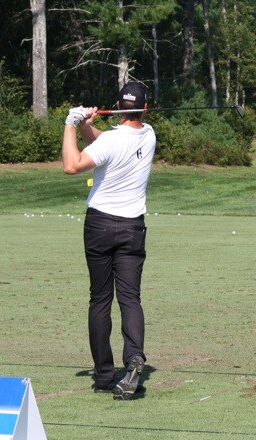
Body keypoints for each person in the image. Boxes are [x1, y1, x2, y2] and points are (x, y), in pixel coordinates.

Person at [61, 82, 156, 400]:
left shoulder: (112, 140)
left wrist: (70, 124)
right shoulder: (150, 134)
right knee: (130, 298)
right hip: (132, 228)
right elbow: (106, 144)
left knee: (100, 299)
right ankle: (134, 357)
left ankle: (104, 376)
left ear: (117, 106)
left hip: (100, 226)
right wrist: (87, 126)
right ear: (144, 109)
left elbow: (71, 166)